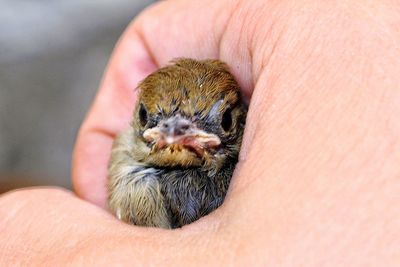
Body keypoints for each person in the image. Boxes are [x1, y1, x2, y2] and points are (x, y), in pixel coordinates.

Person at [1, 0, 398, 265]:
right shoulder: (128, 157)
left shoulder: (241, 175)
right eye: (148, 118)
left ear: (241, 121)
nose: (174, 134)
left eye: (223, 122)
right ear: (137, 116)